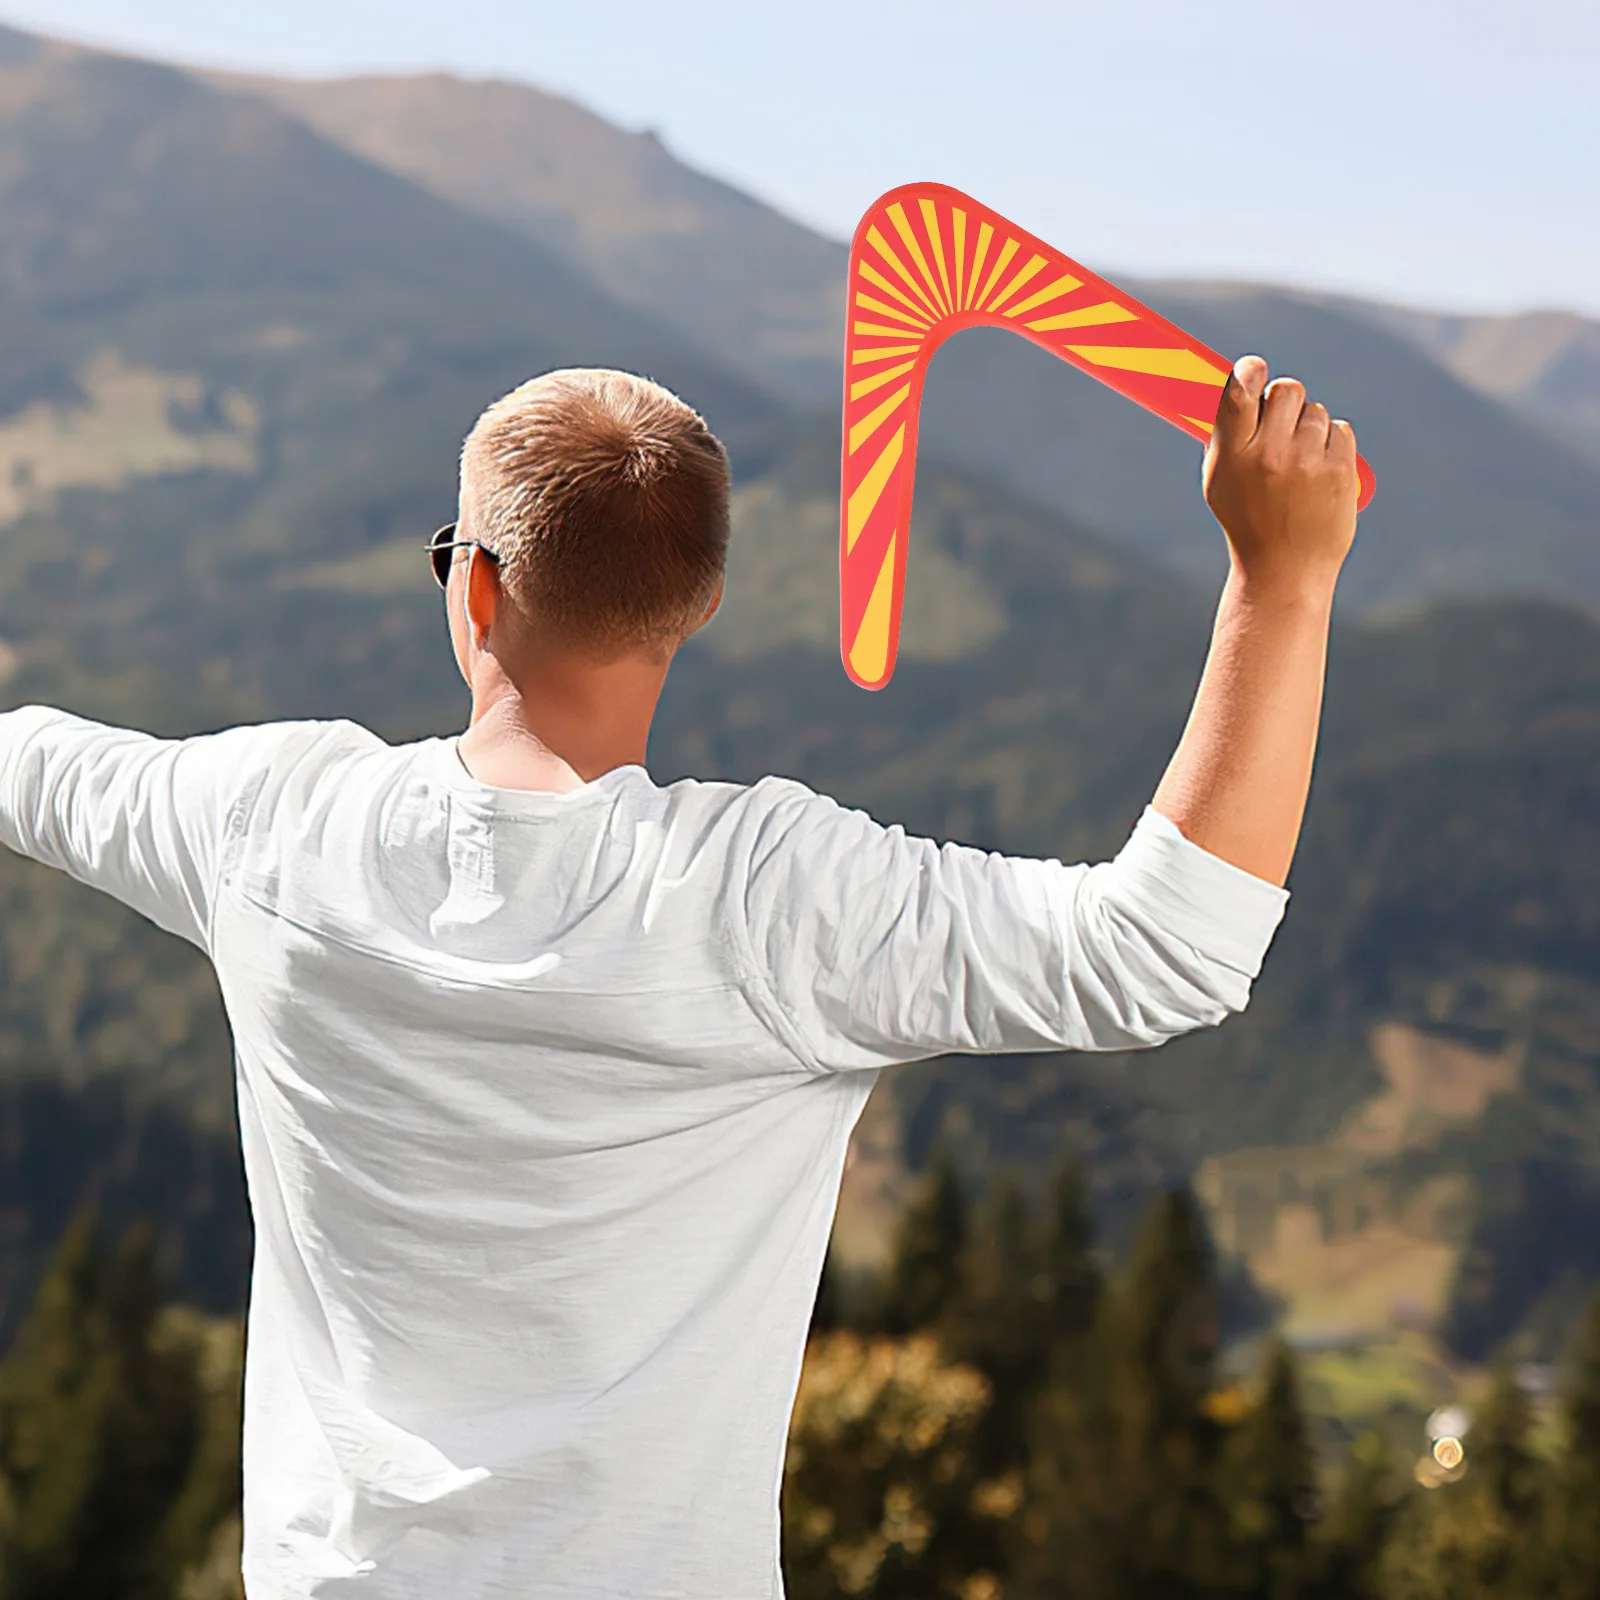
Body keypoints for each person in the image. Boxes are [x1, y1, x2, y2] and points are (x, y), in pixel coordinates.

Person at [0, 355, 1358, 1597]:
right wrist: (1280, 580)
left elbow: (33, 768)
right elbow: (1167, 950)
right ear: (700, 606)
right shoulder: (767, 901)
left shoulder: (272, 822)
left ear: (475, 587)